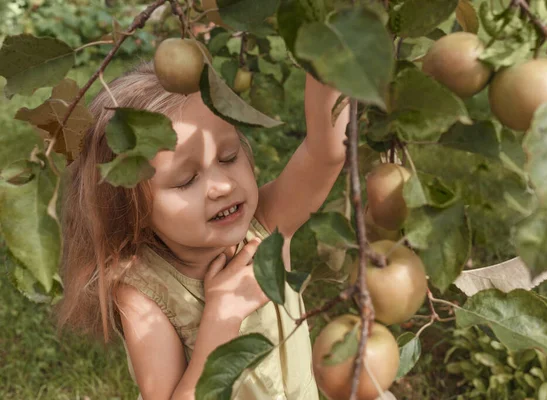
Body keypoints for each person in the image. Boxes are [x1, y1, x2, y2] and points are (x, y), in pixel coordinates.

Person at [56, 60, 349, 400]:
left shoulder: (267, 225)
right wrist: (221, 317)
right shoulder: (143, 295)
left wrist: (329, 44)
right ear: (133, 209)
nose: (222, 186)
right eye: (186, 180)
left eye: (228, 156)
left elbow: (325, 153)